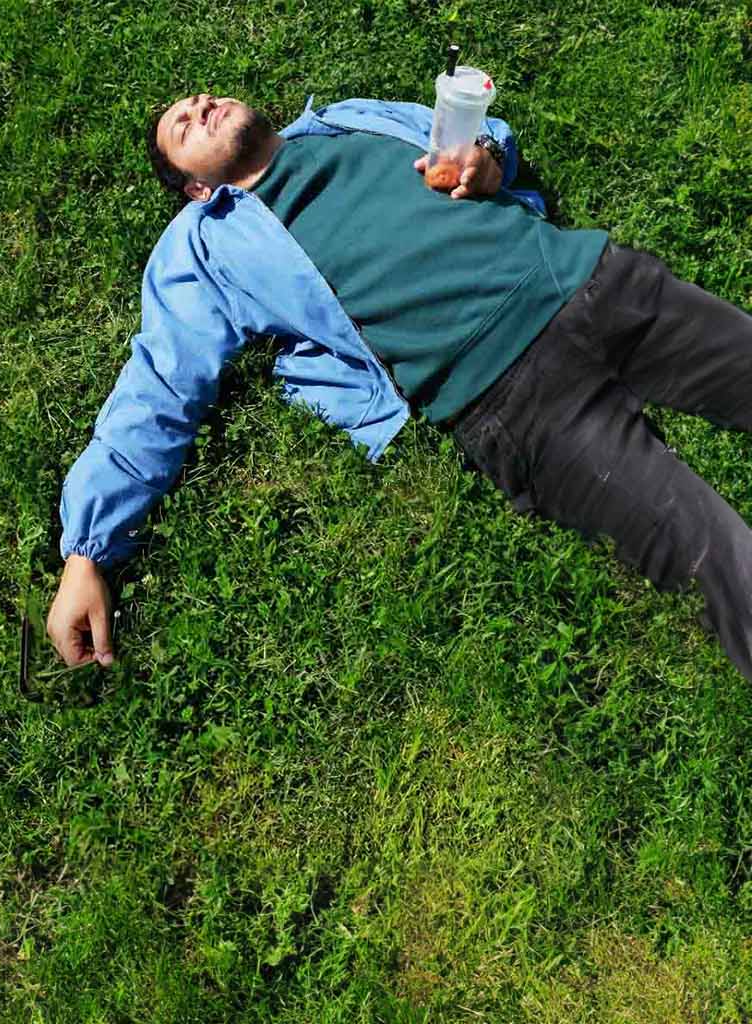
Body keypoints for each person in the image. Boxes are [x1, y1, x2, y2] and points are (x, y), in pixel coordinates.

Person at [47, 92, 752, 680]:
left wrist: (488, 163)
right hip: (512, 400)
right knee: (721, 558)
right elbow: (159, 389)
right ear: (193, 188)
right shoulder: (204, 250)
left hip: (594, 283)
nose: (202, 107)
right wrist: (87, 554)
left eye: (204, 98)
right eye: (183, 124)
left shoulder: (350, 118)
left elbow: (479, 140)